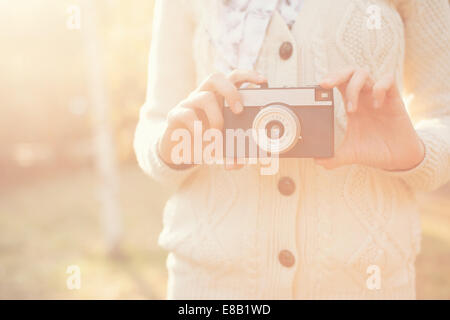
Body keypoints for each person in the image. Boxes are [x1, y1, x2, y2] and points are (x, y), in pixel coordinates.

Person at [134, 0, 450, 299]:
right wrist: (176, 144)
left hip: (365, 282)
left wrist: (414, 154)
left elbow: (443, 116)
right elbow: (155, 123)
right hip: (211, 285)